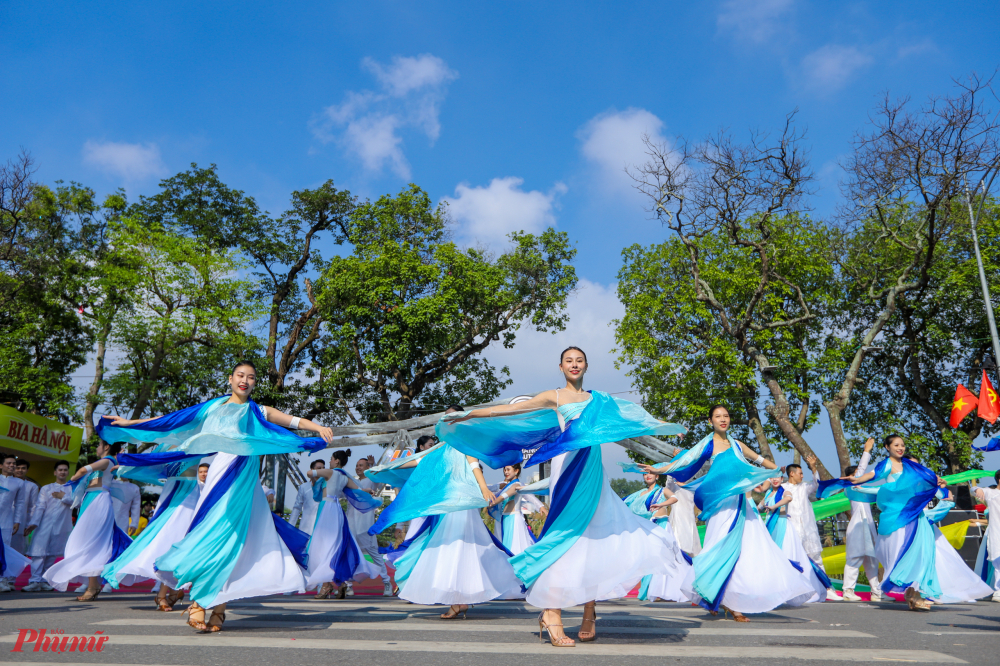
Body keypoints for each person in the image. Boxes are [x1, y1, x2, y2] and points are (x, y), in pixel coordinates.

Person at [437, 347, 687, 646]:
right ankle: (552, 613)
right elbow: (509, 410)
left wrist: (666, 436)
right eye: (569, 360)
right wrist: (470, 415)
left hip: (592, 469)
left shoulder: (599, 400)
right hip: (567, 467)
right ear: (561, 367)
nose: (574, 364)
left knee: (596, 538)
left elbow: (625, 425)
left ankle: (589, 613)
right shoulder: (553, 396)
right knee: (562, 535)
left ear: (586, 366)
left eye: (579, 360)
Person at [98, 360, 333, 633]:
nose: (245, 380)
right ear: (230, 379)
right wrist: (130, 422)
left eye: (251, 377)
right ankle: (201, 601)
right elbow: (170, 421)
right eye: (240, 375)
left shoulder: (257, 410)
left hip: (245, 475)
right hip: (220, 471)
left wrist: (317, 428)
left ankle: (216, 608)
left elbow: (293, 421)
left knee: (237, 541)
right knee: (213, 533)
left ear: (255, 383)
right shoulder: (213, 407)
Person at [638, 405, 814, 622]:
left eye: (726, 416)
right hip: (721, 505)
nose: (723, 419)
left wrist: (774, 470)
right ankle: (716, 596)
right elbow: (683, 462)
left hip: (742, 504)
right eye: (718, 416)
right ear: (710, 421)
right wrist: (657, 470)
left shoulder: (738, 445)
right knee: (718, 547)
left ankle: (731, 601)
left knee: (749, 549)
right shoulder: (708, 444)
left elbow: (761, 460)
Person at [367, 405, 522, 618]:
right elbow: (419, 461)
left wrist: (484, 488)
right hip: (449, 505)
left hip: (463, 504)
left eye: (453, 417)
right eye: (446, 417)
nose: (449, 420)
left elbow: (474, 464)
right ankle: (459, 600)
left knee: (462, 547)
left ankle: (460, 599)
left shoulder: (466, 441)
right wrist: (386, 468)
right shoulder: (443, 447)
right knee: (453, 547)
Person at [847, 434, 993, 610]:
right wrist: (857, 479)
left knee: (923, 554)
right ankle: (911, 592)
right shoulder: (888, 464)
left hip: (917, 517)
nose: (900, 448)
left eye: (902, 445)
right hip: (898, 516)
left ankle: (916, 593)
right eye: (896, 445)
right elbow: (873, 475)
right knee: (903, 555)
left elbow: (928, 481)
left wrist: (939, 482)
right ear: (887, 447)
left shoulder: (912, 467)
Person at [103, 464, 202, 611]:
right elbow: (154, 460)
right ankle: (163, 594)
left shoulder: (199, 442)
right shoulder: (171, 444)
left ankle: (174, 591)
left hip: (193, 492)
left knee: (185, 543)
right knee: (170, 542)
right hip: (176, 493)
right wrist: (128, 464)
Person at [43, 441, 133, 600]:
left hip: (98, 501)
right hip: (92, 500)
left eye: (99, 445)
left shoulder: (108, 460)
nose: (97, 448)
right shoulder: (106, 461)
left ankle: (93, 586)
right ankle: (93, 585)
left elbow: (84, 470)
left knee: (90, 542)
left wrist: (74, 477)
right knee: (87, 542)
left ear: (106, 447)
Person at [305, 449, 382, 599]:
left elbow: (309, 473)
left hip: (326, 508)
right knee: (335, 545)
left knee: (324, 545)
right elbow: (358, 489)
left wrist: (316, 473)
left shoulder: (330, 473)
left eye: (331, 459)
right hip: (337, 510)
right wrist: (366, 490)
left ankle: (327, 585)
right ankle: (341, 584)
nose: (330, 461)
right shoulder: (344, 477)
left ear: (337, 461)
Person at [757, 477, 833, 603]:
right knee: (773, 559)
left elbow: (789, 498)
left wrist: (774, 506)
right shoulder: (768, 493)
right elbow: (758, 507)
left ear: (782, 478)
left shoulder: (784, 491)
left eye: (778, 477)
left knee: (785, 557)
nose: (775, 480)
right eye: (773, 478)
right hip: (771, 528)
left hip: (783, 527)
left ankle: (795, 591)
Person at [621, 472, 692, 603]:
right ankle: (653, 589)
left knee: (662, 557)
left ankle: (661, 590)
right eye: (645, 474)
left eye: (651, 473)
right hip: (648, 528)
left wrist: (661, 504)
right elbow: (627, 504)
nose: (648, 475)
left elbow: (674, 498)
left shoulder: (661, 490)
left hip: (661, 526)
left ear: (657, 476)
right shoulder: (640, 493)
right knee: (649, 557)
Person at [782, 456, 839, 601]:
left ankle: (826, 588)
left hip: (808, 530)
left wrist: (813, 467)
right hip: (792, 530)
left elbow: (816, 484)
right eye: (800, 473)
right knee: (793, 559)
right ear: (792, 474)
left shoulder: (805, 487)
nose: (802, 475)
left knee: (816, 558)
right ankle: (794, 591)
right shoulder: (783, 488)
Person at [21, 460, 74, 592]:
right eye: (60, 470)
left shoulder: (72, 488)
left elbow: (77, 503)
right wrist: (34, 523)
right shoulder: (46, 488)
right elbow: (40, 506)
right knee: (38, 553)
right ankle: (34, 581)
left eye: (65, 470)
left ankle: (45, 580)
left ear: (68, 472)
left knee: (52, 554)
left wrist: (64, 497)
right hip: (44, 524)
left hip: (62, 525)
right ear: (55, 472)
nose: (62, 472)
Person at [841, 438, 881, 602]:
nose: (862, 476)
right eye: (858, 474)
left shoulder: (863, 490)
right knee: (854, 558)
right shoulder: (851, 487)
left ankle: (876, 591)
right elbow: (861, 470)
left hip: (868, 526)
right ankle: (848, 590)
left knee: (872, 560)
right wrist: (867, 450)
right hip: (858, 526)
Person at [345, 454, 391, 596]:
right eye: (357, 465)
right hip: (351, 524)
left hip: (365, 525)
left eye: (361, 465)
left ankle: (387, 582)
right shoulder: (352, 483)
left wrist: (373, 465)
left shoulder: (371, 480)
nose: (358, 467)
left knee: (375, 554)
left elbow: (379, 477)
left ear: (367, 468)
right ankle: (348, 585)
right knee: (349, 554)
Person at [488, 462, 547, 556]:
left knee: (516, 548)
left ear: (516, 471)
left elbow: (529, 496)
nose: (506, 472)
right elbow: (490, 490)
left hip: (514, 520)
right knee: (506, 546)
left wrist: (540, 506)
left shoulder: (517, 485)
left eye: (508, 470)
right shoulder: (504, 485)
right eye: (504, 470)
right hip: (505, 519)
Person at [0, 453, 27, 591]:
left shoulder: (19, 483)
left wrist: (17, 521)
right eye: (8, 463)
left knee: (4, 549)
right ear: (1, 465)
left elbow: (20, 503)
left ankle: (3, 580)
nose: (12, 466)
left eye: (13, 464)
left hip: (6, 520)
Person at [973, 471, 1000, 602]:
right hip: (996, 533)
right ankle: (998, 591)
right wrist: (977, 488)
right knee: (997, 562)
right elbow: (974, 490)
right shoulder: (992, 493)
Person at [664, 475, 701, 556]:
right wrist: (672, 469)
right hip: (678, 521)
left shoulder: (692, 487)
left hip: (690, 521)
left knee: (695, 552)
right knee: (679, 548)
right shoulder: (674, 487)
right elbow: (669, 482)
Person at [289, 459, 324, 535]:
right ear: (312, 470)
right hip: (306, 529)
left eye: (323, 468)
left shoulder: (326, 487)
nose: (322, 470)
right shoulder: (304, 487)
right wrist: (290, 527)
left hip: (322, 529)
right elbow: (297, 507)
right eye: (319, 468)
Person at [11, 459, 38, 555]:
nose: (20, 470)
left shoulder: (32, 486)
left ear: (27, 470)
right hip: (4, 519)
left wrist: (28, 525)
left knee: (17, 551)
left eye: (23, 468)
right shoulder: (6, 482)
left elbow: (33, 506)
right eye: (17, 468)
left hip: (21, 523)